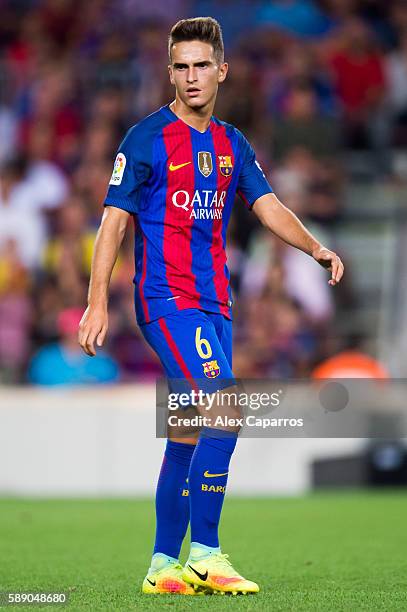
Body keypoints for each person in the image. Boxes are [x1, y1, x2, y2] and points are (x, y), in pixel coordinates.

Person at [78, 17, 344, 596]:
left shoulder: (232, 143)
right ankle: (206, 555)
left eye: (202, 65)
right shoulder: (145, 138)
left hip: (215, 305)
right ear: (169, 72)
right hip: (166, 299)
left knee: (189, 433)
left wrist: (316, 247)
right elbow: (113, 222)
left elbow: (267, 204)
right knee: (224, 405)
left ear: (221, 71)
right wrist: (96, 301)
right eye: (181, 66)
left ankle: (161, 566)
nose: (191, 77)